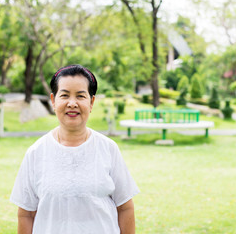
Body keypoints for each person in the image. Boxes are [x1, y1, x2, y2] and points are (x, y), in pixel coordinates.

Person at [10, 64, 139, 234]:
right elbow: (26, 214)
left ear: (91, 102)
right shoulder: (36, 152)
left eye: (80, 96)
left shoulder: (108, 149)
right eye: (64, 95)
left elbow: (125, 208)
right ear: (53, 101)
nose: (72, 103)